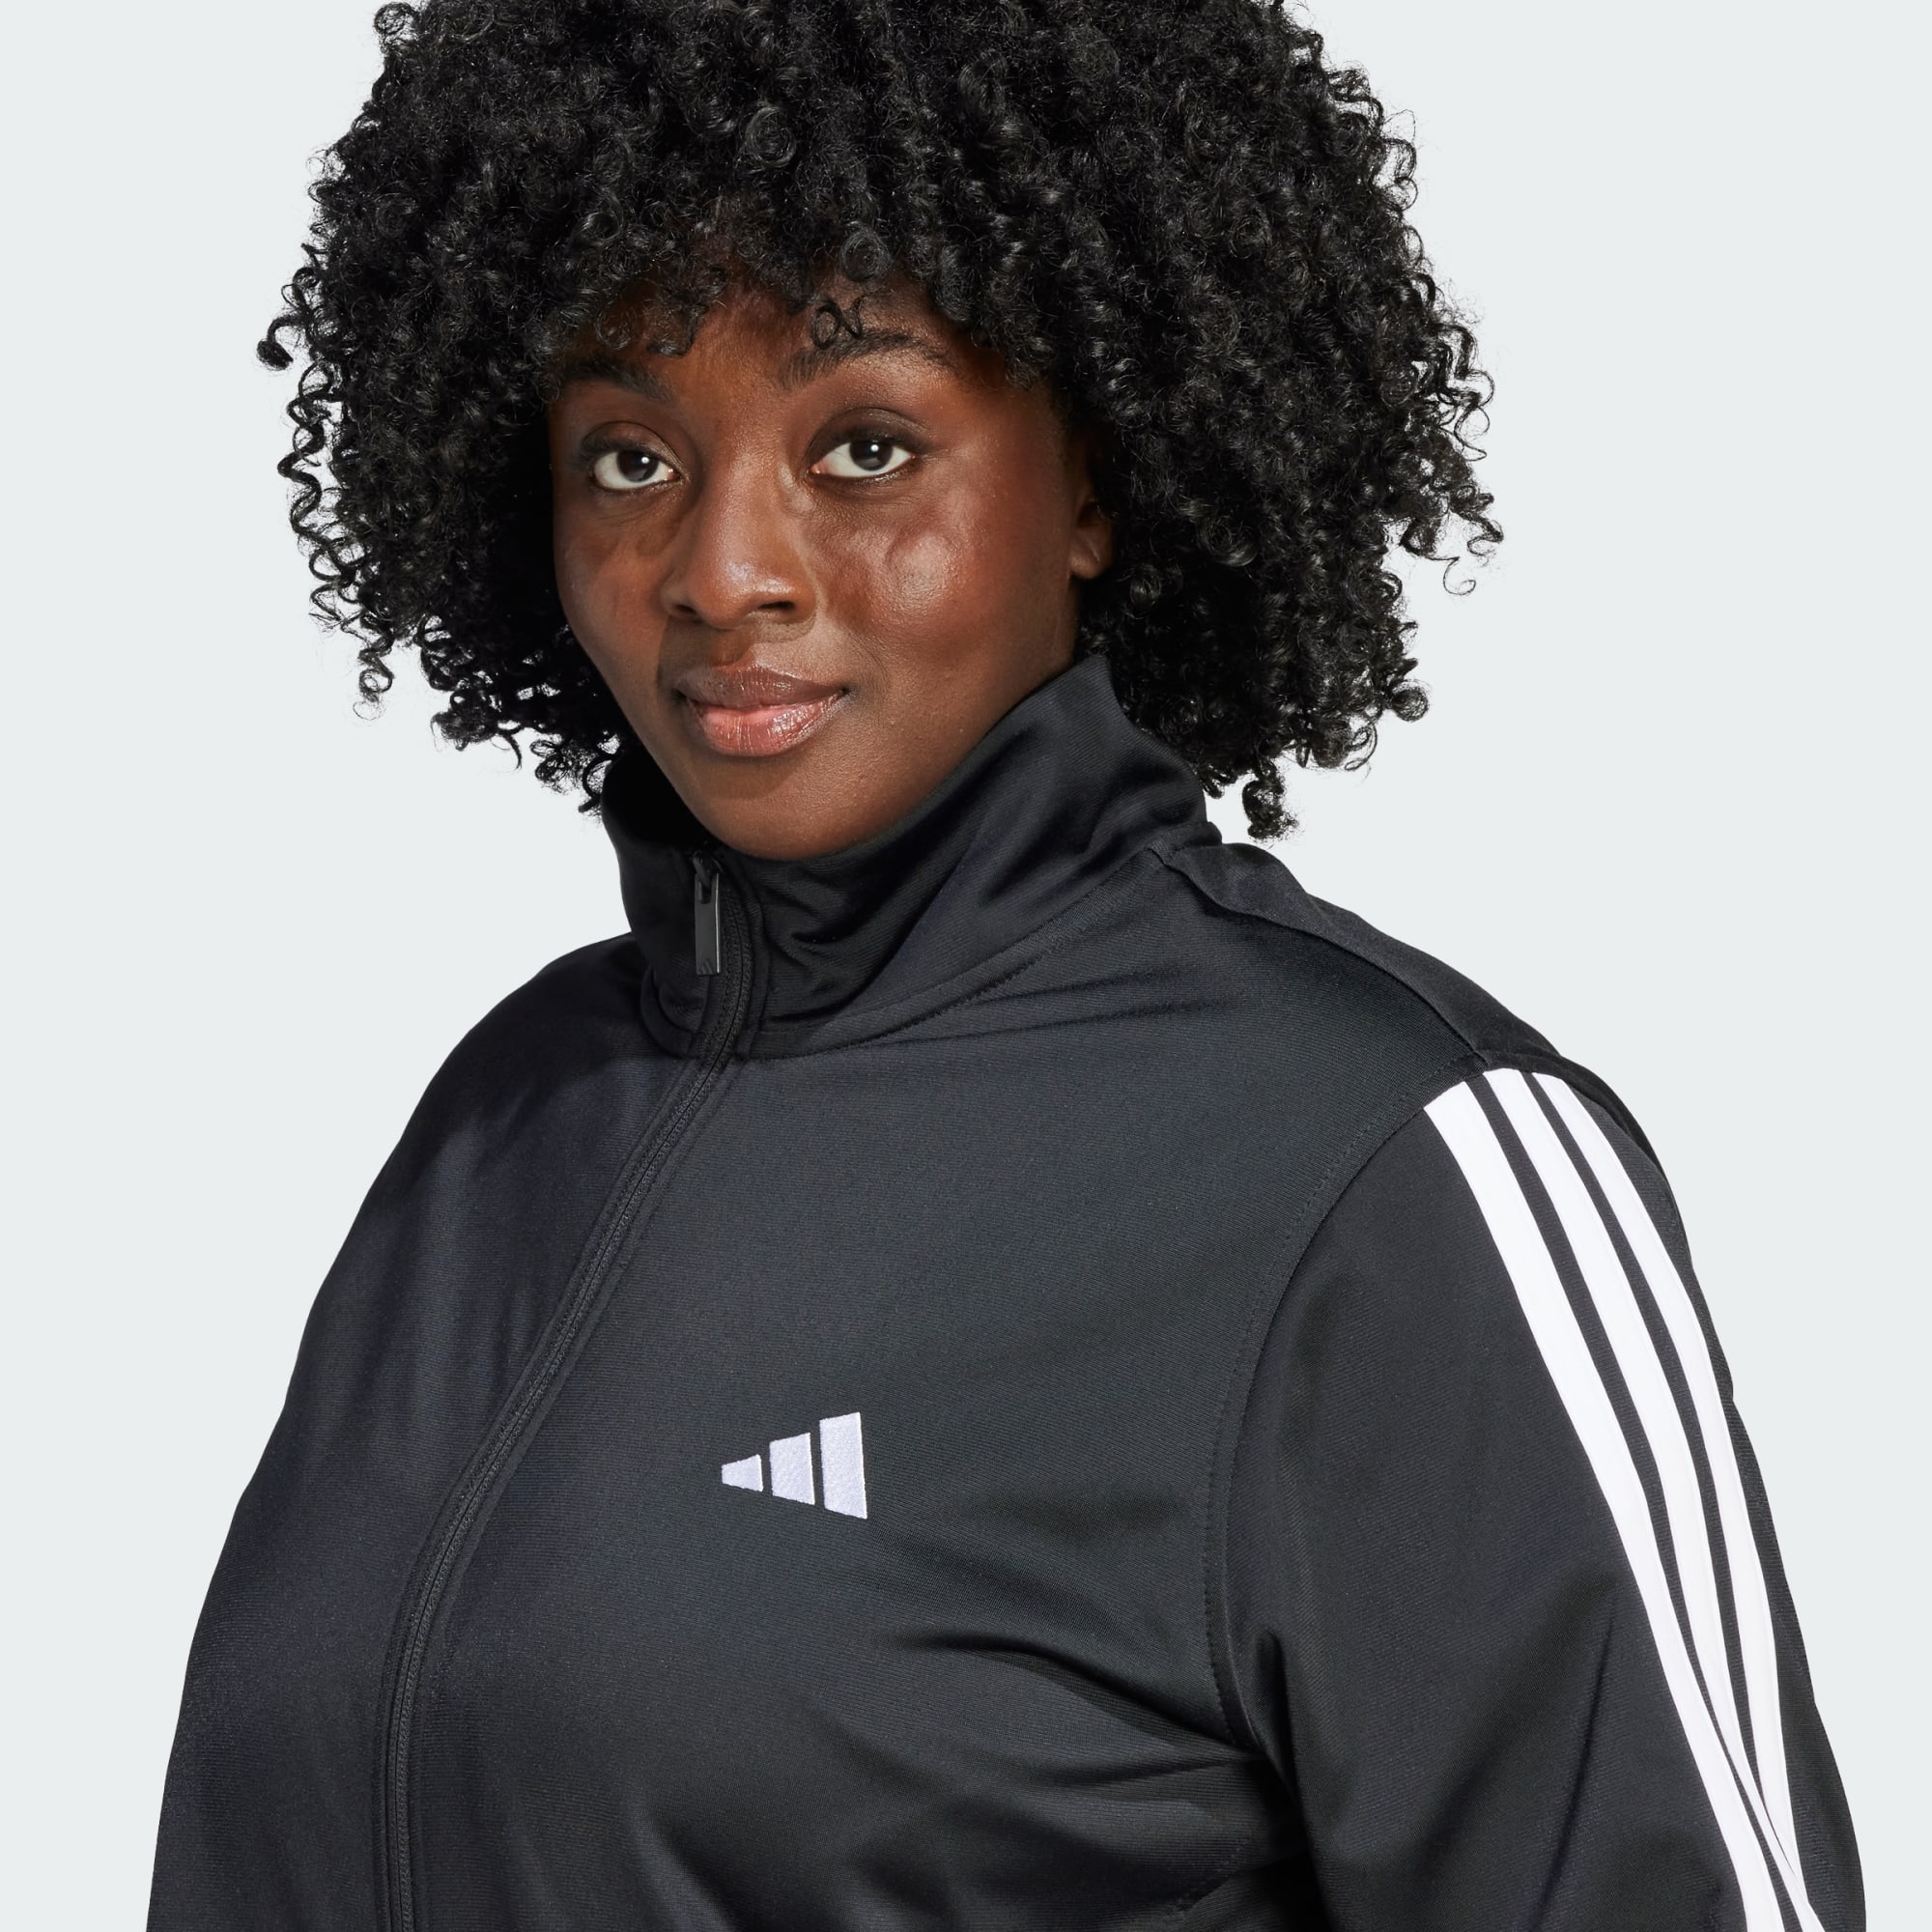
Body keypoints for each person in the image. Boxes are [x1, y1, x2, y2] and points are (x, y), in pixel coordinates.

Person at [147, 2, 1861, 1927]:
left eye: (864, 448)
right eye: (629, 458)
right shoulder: (504, 1123)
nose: (722, 570)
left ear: (1097, 484)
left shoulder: (1381, 1165)